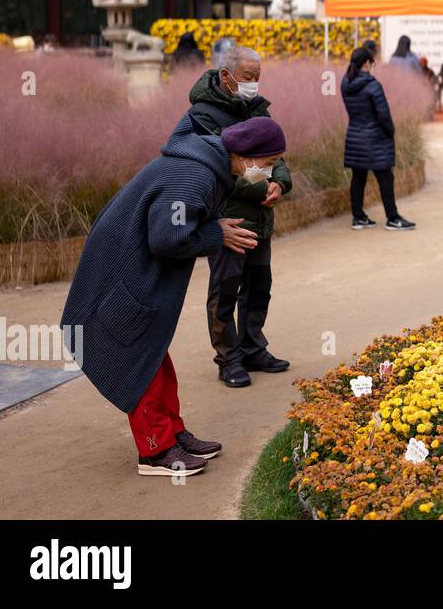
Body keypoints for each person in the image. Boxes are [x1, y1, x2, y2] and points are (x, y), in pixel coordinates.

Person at [60, 116, 285, 477]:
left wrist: (214, 226)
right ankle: (155, 451)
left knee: (154, 355)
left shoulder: (208, 164)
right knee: (139, 360)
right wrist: (216, 235)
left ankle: (172, 432)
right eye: (269, 161)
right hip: (125, 275)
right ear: (245, 156)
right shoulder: (196, 176)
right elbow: (166, 237)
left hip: (133, 271)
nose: (269, 170)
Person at [184, 45, 294, 387]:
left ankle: (252, 348)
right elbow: (219, 168)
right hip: (228, 220)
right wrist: (265, 187)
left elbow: (275, 153)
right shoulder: (203, 115)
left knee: (260, 286)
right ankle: (228, 358)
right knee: (225, 290)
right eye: (248, 78)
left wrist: (281, 182)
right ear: (226, 76)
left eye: (258, 78)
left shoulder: (259, 108)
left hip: (261, 220)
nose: (254, 85)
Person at [342, 47, 416, 231]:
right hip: (375, 138)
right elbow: (383, 115)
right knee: (385, 177)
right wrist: (390, 131)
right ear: (367, 63)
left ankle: (358, 217)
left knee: (358, 177)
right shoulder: (373, 85)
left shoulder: (346, 83)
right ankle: (393, 218)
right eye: (373, 63)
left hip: (354, 136)